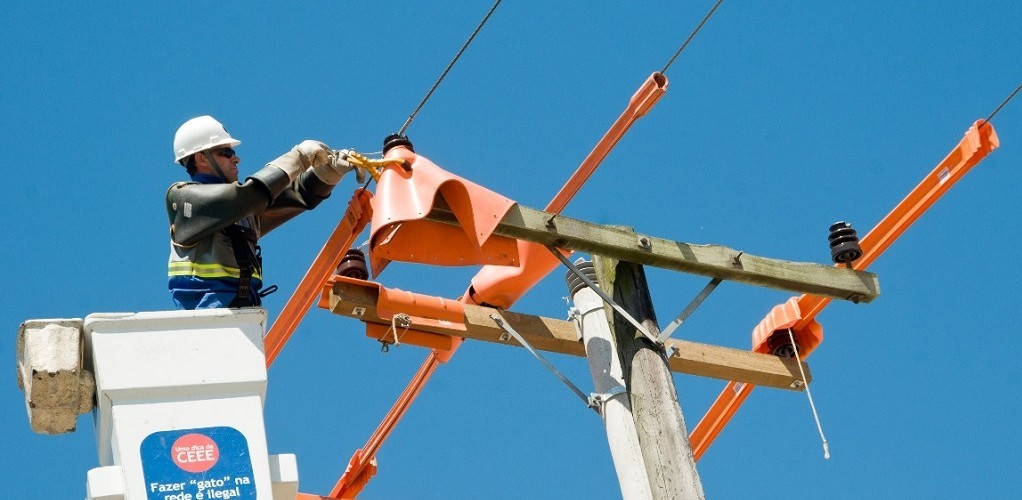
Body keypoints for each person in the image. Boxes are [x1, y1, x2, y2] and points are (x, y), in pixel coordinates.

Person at [166, 115, 358, 309]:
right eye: (226, 152)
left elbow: (294, 197)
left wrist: (326, 175)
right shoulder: (184, 199)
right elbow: (249, 197)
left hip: (241, 313)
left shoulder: (240, 211)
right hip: (207, 317)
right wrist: (299, 157)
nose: (236, 158)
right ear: (201, 159)